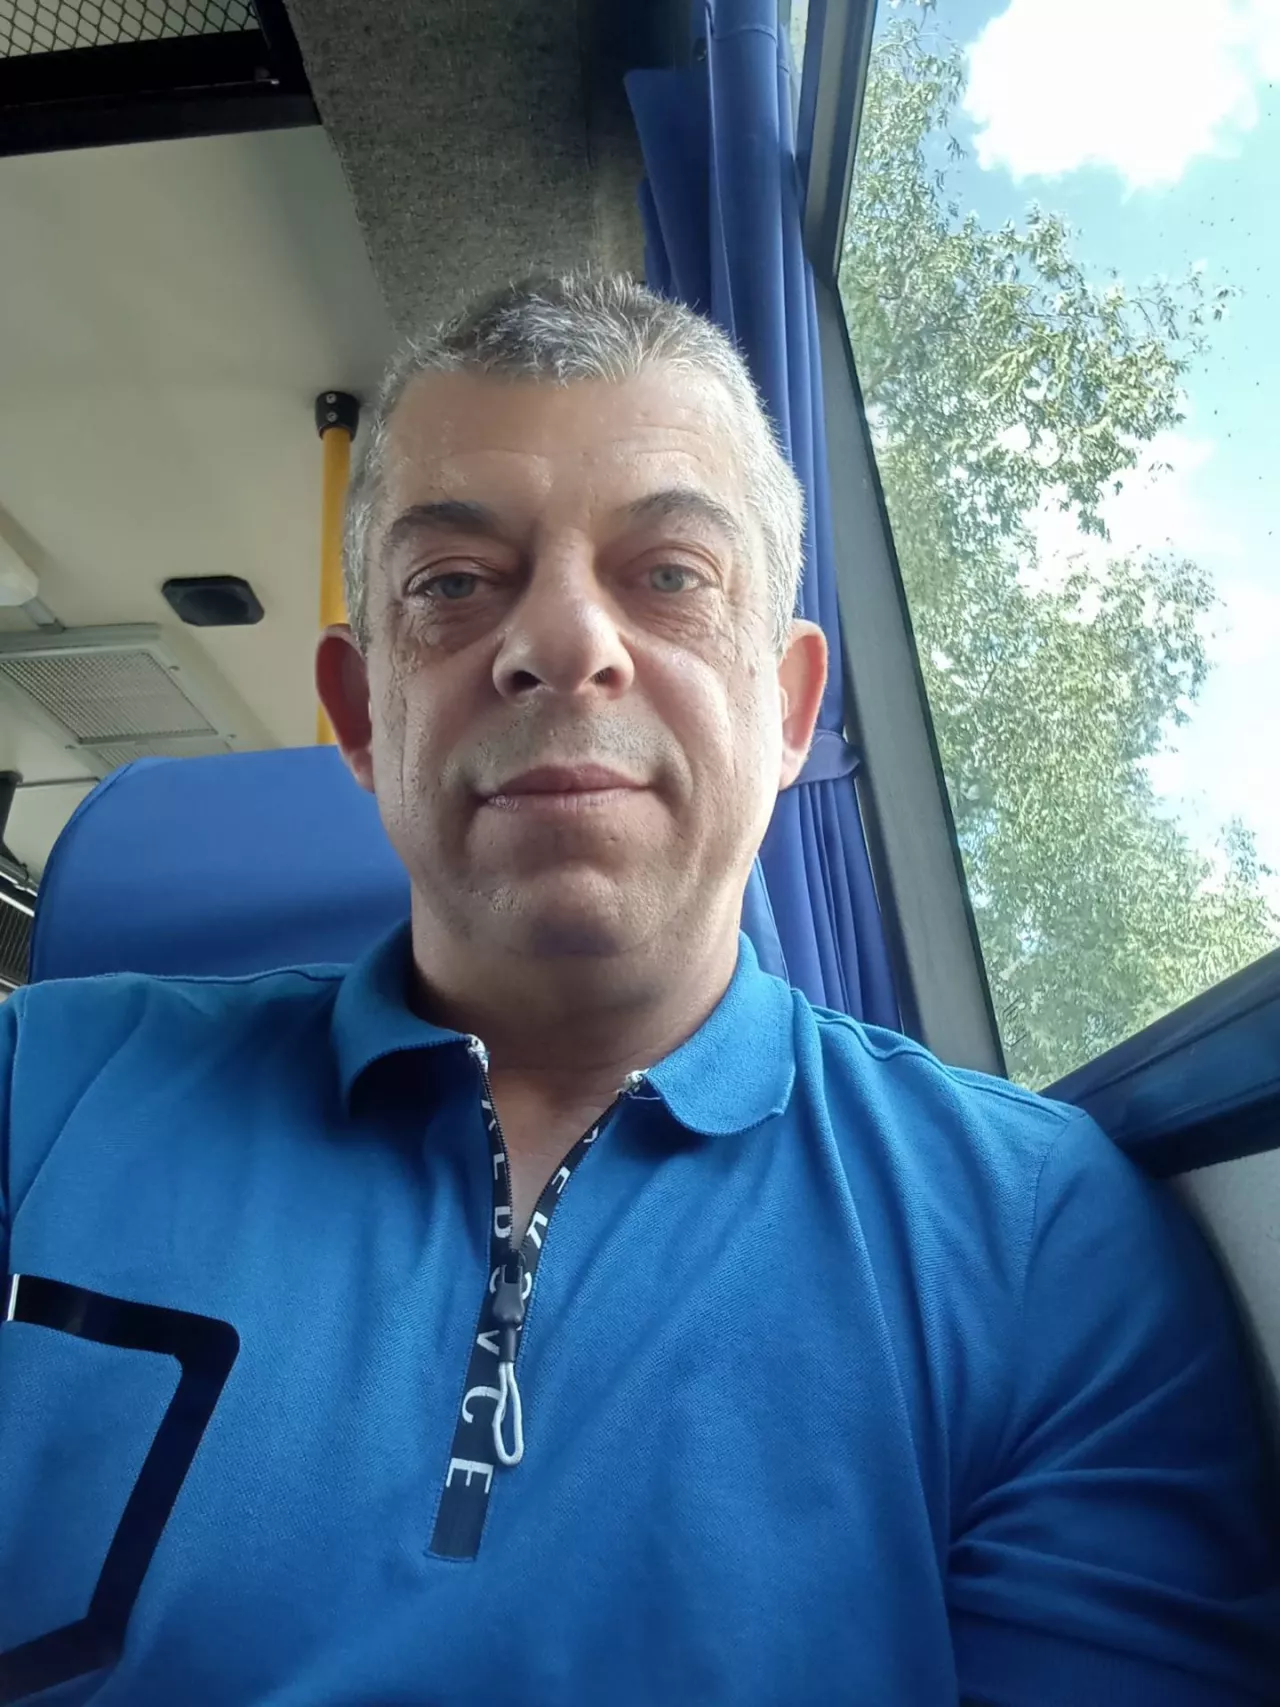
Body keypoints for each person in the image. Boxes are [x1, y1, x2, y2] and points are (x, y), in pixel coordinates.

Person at [1, 274, 1276, 1707]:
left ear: (787, 709)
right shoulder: (34, 1091)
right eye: (453, 584)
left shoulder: (1041, 1240)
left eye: (670, 575)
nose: (562, 642)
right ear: (360, 716)